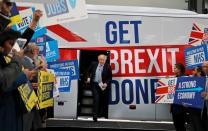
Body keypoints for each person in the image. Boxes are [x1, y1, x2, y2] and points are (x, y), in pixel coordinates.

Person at [0, 29, 37, 131]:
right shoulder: (10, 58)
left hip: (13, 110)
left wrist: (34, 22)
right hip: (5, 114)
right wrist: (23, 76)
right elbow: (4, 82)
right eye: (11, 44)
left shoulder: (8, 56)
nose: (14, 48)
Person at [22, 43, 42, 131]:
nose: (39, 52)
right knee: (27, 124)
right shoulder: (24, 61)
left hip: (34, 100)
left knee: (33, 123)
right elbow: (31, 77)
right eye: (38, 50)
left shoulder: (31, 61)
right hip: (27, 100)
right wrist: (39, 67)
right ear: (33, 51)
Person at [86, 54, 112, 122]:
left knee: (103, 100)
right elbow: (88, 71)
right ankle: (95, 116)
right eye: (100, 59)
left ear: (105, 60)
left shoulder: (108, 66)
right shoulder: (94, 64)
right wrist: (88, 77)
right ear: (98, 59)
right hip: (94, 84)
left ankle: (102, 114)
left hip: (102, 85)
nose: (101, 61)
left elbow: (110, 77)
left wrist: (106, 83)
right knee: (96, 99)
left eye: (103, 60)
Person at [189, 66, 206, 131]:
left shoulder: (203, 80)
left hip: (198, 109)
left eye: (194, 70)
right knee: (193, 126)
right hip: (191, 108)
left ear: (199, 72)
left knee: (198, 126)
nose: (193, 72)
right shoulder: (192, 80)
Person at [171, 63, 187, 131]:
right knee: (176, 125)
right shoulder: (174, 78)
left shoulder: (185, 78)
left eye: (175, 68)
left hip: (181, 107)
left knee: (181, 126)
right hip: (174, 107)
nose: (173, 69)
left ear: (179, 69)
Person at [201, 61, 208, 131]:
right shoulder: (203, 78)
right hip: (204, 106)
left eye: (205, 66)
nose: (203, 68)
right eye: (203, 66)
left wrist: (206, 95)